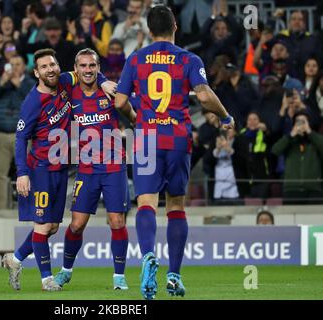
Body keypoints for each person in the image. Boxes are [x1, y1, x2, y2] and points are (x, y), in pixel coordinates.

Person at [115, 5, 234, 300]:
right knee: (176, 205)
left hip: (146, 137)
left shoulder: (136, 58)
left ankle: (147, 256)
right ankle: (174, 276)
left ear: (149, 29)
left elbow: (118, 102)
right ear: (175, 27)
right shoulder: (188, 58)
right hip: (178, 137)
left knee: (145, 202)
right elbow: (204, 96)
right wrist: (226, 116)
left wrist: (136, 117)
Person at [1, 48, 115, 291]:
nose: (50, 70)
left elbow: (88, 72)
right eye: (44, 67)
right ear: (36, 72)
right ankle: (46, 279)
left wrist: (104, 82)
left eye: (52, 64)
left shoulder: (65, 80)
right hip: (40, 169)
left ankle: (15, 259)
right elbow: (21, 138)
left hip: (61, 168)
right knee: (42, 227)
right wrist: (22, 172)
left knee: (52, 227)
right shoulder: (32, 102)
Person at [53, 49, 131, 290]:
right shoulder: (70, 93)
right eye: (83, 66)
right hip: (86, 168)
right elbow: (53, 78)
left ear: (98, 67)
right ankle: (66, 271)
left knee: (117, 221)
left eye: (92, 66)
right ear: (76, 69)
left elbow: (131, 110)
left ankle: (119, 277)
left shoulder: (109, 92)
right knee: (76, 224)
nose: (88, 70)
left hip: (114, 165)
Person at [0, 55, 35, 209]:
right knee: (0, 174)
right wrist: (2, 81)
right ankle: (2, 207)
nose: (14, 67)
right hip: (2, 134)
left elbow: (33, 101)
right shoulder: (2, 82)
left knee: (26, 171)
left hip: (22, 135)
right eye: (12, 64)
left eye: (18, 64)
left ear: (24, 67)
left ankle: (30, 205)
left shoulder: (29, 83)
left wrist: (17, 85)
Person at [272, 111, 323, 204]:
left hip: (313, 189)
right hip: (292, 189)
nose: (301, 124)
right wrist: (291, 135)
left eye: (304, 121)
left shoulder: (315, 140)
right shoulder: (289, 141)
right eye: (298, 121)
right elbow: (275, 150)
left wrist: (310, 132)